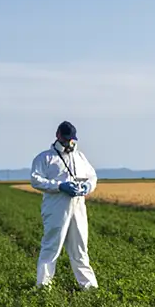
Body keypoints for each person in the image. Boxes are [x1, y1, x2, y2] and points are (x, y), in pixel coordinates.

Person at [29, 121, 99, 290]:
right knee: (51, 246)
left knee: (80, 248)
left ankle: (89, 286)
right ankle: (44, 286)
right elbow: (35, 180)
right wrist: (59, 186)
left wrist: (87, 187)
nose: (69, 143)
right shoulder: (44, 158)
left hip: (78, 206)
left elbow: (92, 176)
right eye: (66, 139)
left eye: (71, 140)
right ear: (58, 136)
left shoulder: (80, 156)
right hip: (56, 207)